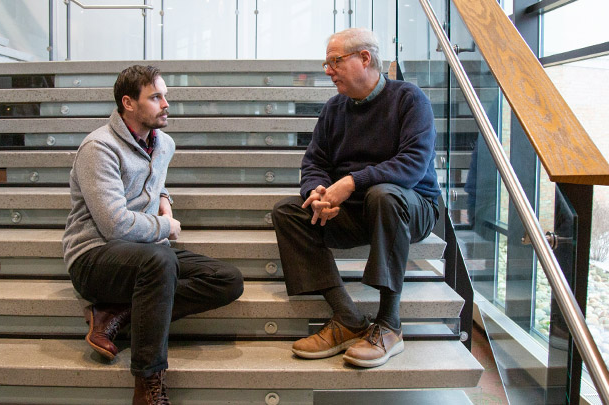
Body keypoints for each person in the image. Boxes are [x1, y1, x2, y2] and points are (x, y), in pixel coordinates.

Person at [62, 65, 244, 404]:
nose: (166, 104)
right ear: (128, 103)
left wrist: (164, 199)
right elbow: (113, 225)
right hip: (94, 257)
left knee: (228, 279)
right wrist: (167, 226)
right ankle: (147, 382)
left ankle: (118, 313)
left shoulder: (164, 143)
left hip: (147, 253)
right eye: (156, 97)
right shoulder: (98, 149)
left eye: (166, 96)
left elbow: (150, 180)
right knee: (160, 260)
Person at [271, 28, 440, 368]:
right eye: (326, 63)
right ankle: (347, 318)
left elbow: (412, 166)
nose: (328, 71)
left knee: (385, 195)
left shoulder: (410, 99)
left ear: (365, 58)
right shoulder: (335, 109)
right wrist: (317, 192)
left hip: (411, 206)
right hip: (358, 211)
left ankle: (390, 325)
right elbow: (315, 162)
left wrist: (349, 182)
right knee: (288, 211)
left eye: (334, 61)